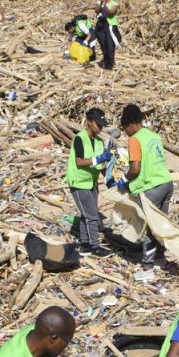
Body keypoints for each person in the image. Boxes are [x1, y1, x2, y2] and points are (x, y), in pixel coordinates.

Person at [115, 103, 174, 263]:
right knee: (160, 222)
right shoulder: (153, 136)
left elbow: (135, 169)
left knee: (147, 226)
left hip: (151, 187)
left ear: (131, 124)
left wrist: (125, 181)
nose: (126, 133)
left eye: (125, 128)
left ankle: (147, 264)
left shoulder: (135, 139)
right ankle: (160, 255)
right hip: (167, 183)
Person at [66, 107, 112, 255]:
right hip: (79, 182)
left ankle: (85, 244)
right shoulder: (80, 138)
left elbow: (102, 164)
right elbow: (79, 162)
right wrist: (97, 159)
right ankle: (95, 246)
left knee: (86, 214)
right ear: (89, 122)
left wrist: (108, 179)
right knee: (92, 216)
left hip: (91, 181)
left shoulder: (99, 141)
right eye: (98, 124)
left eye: (102, 125)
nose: (100, 128)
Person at [94, 0, 121, 70]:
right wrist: (101, 2)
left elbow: (110, 13)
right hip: (101, 26)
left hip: (110, 26)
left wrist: (105, 3)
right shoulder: (100, 2)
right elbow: (97, 11)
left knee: (109, 47)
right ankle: (106, 63)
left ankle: (109, 66)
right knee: (103, 46)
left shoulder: (114, 4)